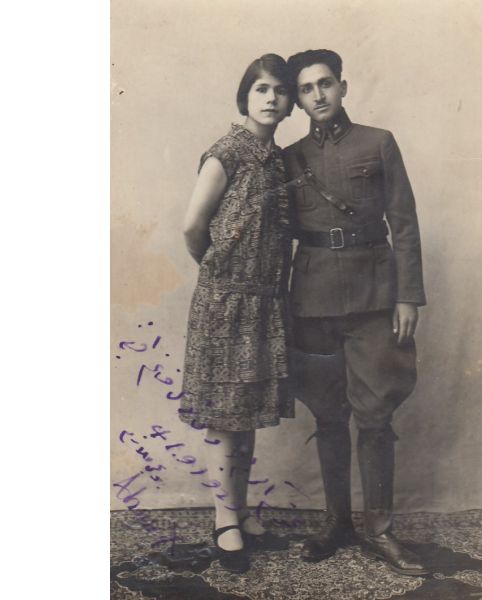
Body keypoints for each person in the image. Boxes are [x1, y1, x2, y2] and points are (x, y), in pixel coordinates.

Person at [283, 49, 429, 576]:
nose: (318, 95)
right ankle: (336, 522)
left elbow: (404, 222)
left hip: (374, 296)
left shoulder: (378, 142)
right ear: (298, 100)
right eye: (306, 89)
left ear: (342, 87)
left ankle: (381, 530)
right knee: (327, 414)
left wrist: (407, 295)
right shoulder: (290, 158)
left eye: (325, 83)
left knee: (375, 415)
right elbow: (278, 237)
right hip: (313, 301)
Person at [180, 54, 294, 574]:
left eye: (279, 91)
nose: (271, 99)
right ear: (245, 97)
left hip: (265, 303)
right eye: (261, 89)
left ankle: (241, 512)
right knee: (224, 416)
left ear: (289, 104)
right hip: (226, 303)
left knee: (245, 414)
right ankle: (224, 519)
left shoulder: (279, 162)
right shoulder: (225, 153)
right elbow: (192, 227)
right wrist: (221, 275)